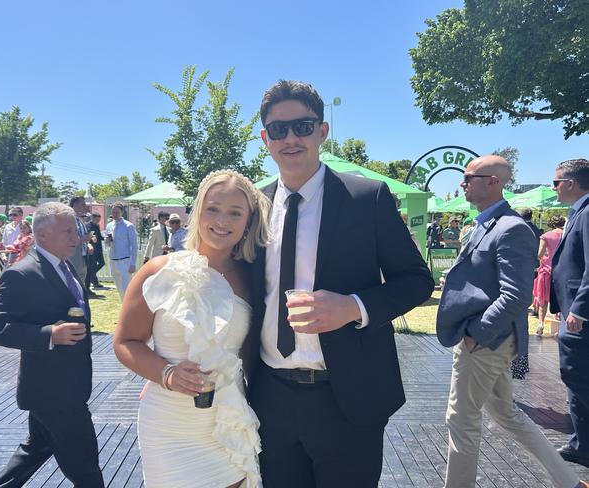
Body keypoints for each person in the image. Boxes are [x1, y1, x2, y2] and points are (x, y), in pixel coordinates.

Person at [244, 80, 434, 487]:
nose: (291, 138)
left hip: (348, 397)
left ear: (322, 132)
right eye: (279, 129)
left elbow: (418, 281)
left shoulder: (368, 197)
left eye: (303, 126)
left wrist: (354, 307)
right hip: (268, 397)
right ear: (265, 139)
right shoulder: (253, 206)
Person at [436, 155, 587, 488]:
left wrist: (478, 333)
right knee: (507, 414)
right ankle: (570, 483)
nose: (462, 183)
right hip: (486, 339)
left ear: (494, 182)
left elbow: (515, 295)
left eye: (469, 177)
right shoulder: (486, 223)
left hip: (486, 342)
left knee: (461, 420)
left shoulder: (511, 228)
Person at [114, 170, 270, 487]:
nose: (222, 221)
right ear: (198, 211)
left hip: (224, 417)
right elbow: (126, 342)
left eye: (235, 213)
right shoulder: (159, 270)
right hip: (169, 423)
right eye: (213, 208)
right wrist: (165, 372)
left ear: (248, 223)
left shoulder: (253, 279)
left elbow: (252, 356)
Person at [0, 202, 104, 488]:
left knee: (36, 450)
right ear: (42, 235)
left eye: (76, 230)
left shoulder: (64, 265)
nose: (76, 237)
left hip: (58, 388)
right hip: (56, 394)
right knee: (87, 470)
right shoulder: (23, 274)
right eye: (68, 231)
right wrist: (48, 334)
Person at [550, 158, 589, 469]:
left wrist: (579, 309)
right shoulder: (579, 212)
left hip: (579, 316)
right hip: (573, 310)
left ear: (571, 183)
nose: (554, 188)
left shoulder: (587, 214)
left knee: (577, 376)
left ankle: (583, 444)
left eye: (556, 182)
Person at [533, 215, 566, 336]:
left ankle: (541, 325)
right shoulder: (566, 234)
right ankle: (562, 325)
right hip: (563, 269)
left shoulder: (546, 236)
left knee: (543, 300)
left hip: (547, 270)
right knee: (562, 299)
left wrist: (545, 257)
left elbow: (540, 254)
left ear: (551, 224)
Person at [105, 203, 137, 300]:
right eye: (113, 212)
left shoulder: (128, 226)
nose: (115, 214)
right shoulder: (109, 225)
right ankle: (124, 307)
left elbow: (134, 246)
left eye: (117, 212)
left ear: (122, 212)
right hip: (113, 259)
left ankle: (130, 309)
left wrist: (133, 263)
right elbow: (108, 244)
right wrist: (107, 241)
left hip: (124, 260)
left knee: (127, 287)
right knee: (119, 288)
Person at [69, 196, 92, 283]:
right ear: (75, 205)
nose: (85, 206)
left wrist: (88, 245)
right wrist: (83, 239)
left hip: (83, 256)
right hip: (73, 256)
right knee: (74, 282)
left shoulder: (80, 220)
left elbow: (83, 237)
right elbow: (69, 239)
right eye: (83, 204)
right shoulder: (69, 220)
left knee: (81, 282)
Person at [85, 212, 105, 291]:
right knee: (92, 266)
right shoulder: (89, 225)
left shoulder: (97, 226)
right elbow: (90, 235)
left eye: (99, 220)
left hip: (98, 249)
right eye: (96, 219)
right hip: (92, 249)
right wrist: (92, 236)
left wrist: (105, 238)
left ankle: (92, 277)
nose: (97, 221)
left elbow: (99, 236)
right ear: (92, 218)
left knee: (102, 263)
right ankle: (93, 280)